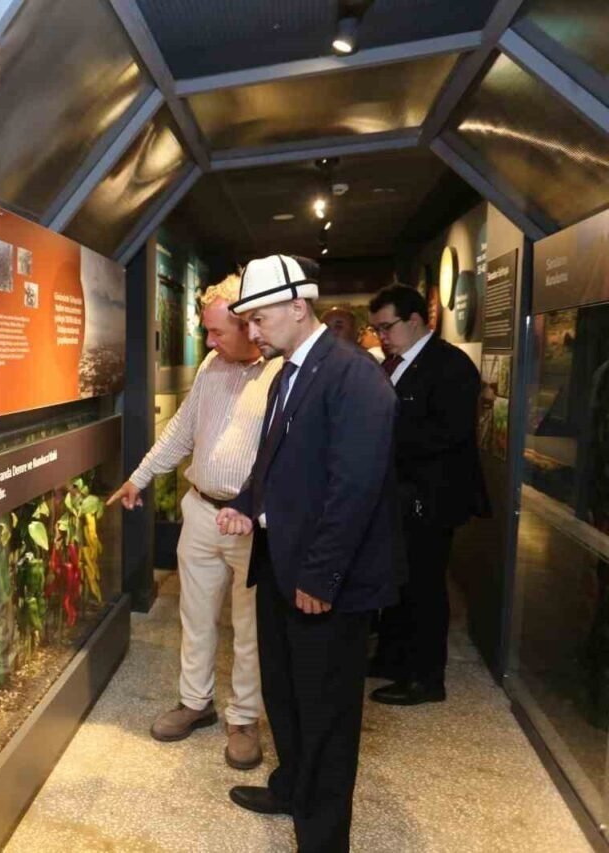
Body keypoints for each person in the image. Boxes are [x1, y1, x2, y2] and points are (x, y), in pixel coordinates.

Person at [216, 254, 402, 853]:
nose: (252, 331)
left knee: (326, 710)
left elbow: (355, 487)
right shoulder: (287, 373)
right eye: (247, 320)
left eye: (259, 318)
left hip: (325, 580)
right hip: (280, 564)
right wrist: (246, 504)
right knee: (286, 693)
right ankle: (292, 788)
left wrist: (321, 575)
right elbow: (273, 460)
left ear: (299, 306)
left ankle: (322, 838)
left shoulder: (353, 375)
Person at [107, 276, 281, 769]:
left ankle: (244, 719)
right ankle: (195, 702)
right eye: (207, 330)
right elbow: (181, 430)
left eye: (217, 331)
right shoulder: (210, 366)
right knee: (195, 617)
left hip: (251, 524)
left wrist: (260, 511)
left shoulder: (281, 373)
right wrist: (139, 478)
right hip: (202, 511)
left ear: (249, 326)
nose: (208, 341)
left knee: (249, 627)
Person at [368, 284, 488, 705]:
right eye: (377, 329)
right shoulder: (395, 363)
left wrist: (380, 438)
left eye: (387, 327)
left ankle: (425, 678)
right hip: (398, 496)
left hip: (430, 498)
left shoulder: (449, 366)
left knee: (424, 587)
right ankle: (392, 658)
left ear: (416, 320)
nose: (382, 336)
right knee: (398, 581)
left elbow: (447, 433)